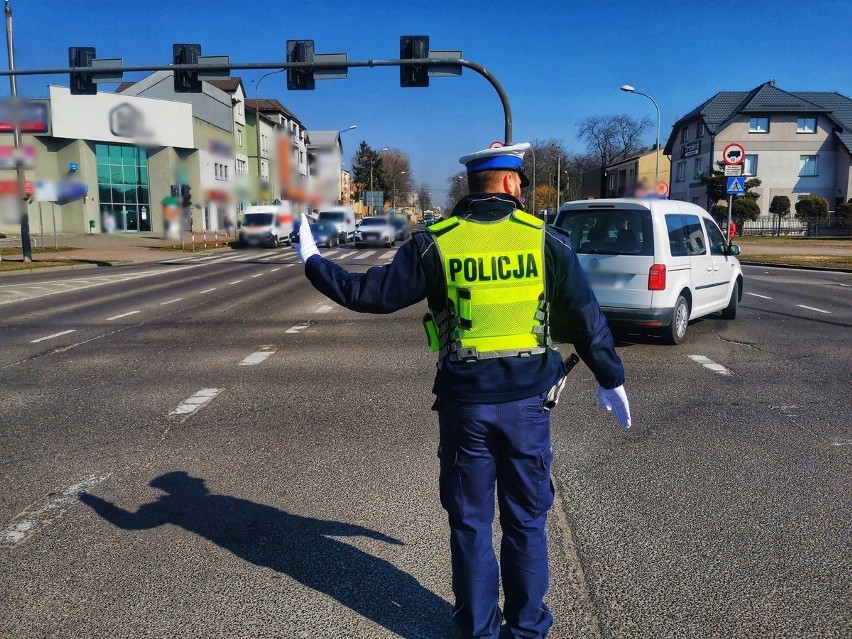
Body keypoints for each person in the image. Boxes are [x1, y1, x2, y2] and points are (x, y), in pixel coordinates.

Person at [293, 142, 630, 639]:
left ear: (472, 186)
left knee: (471, 525)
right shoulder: (545, 240)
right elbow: (586, 318)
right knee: (527, 521)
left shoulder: (437, 241)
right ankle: (529, 629)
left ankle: (479, 631)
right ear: (513, 183)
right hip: (528, 406)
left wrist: (313, 262)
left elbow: (372, 295)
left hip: (464, 407)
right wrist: (611, 378)